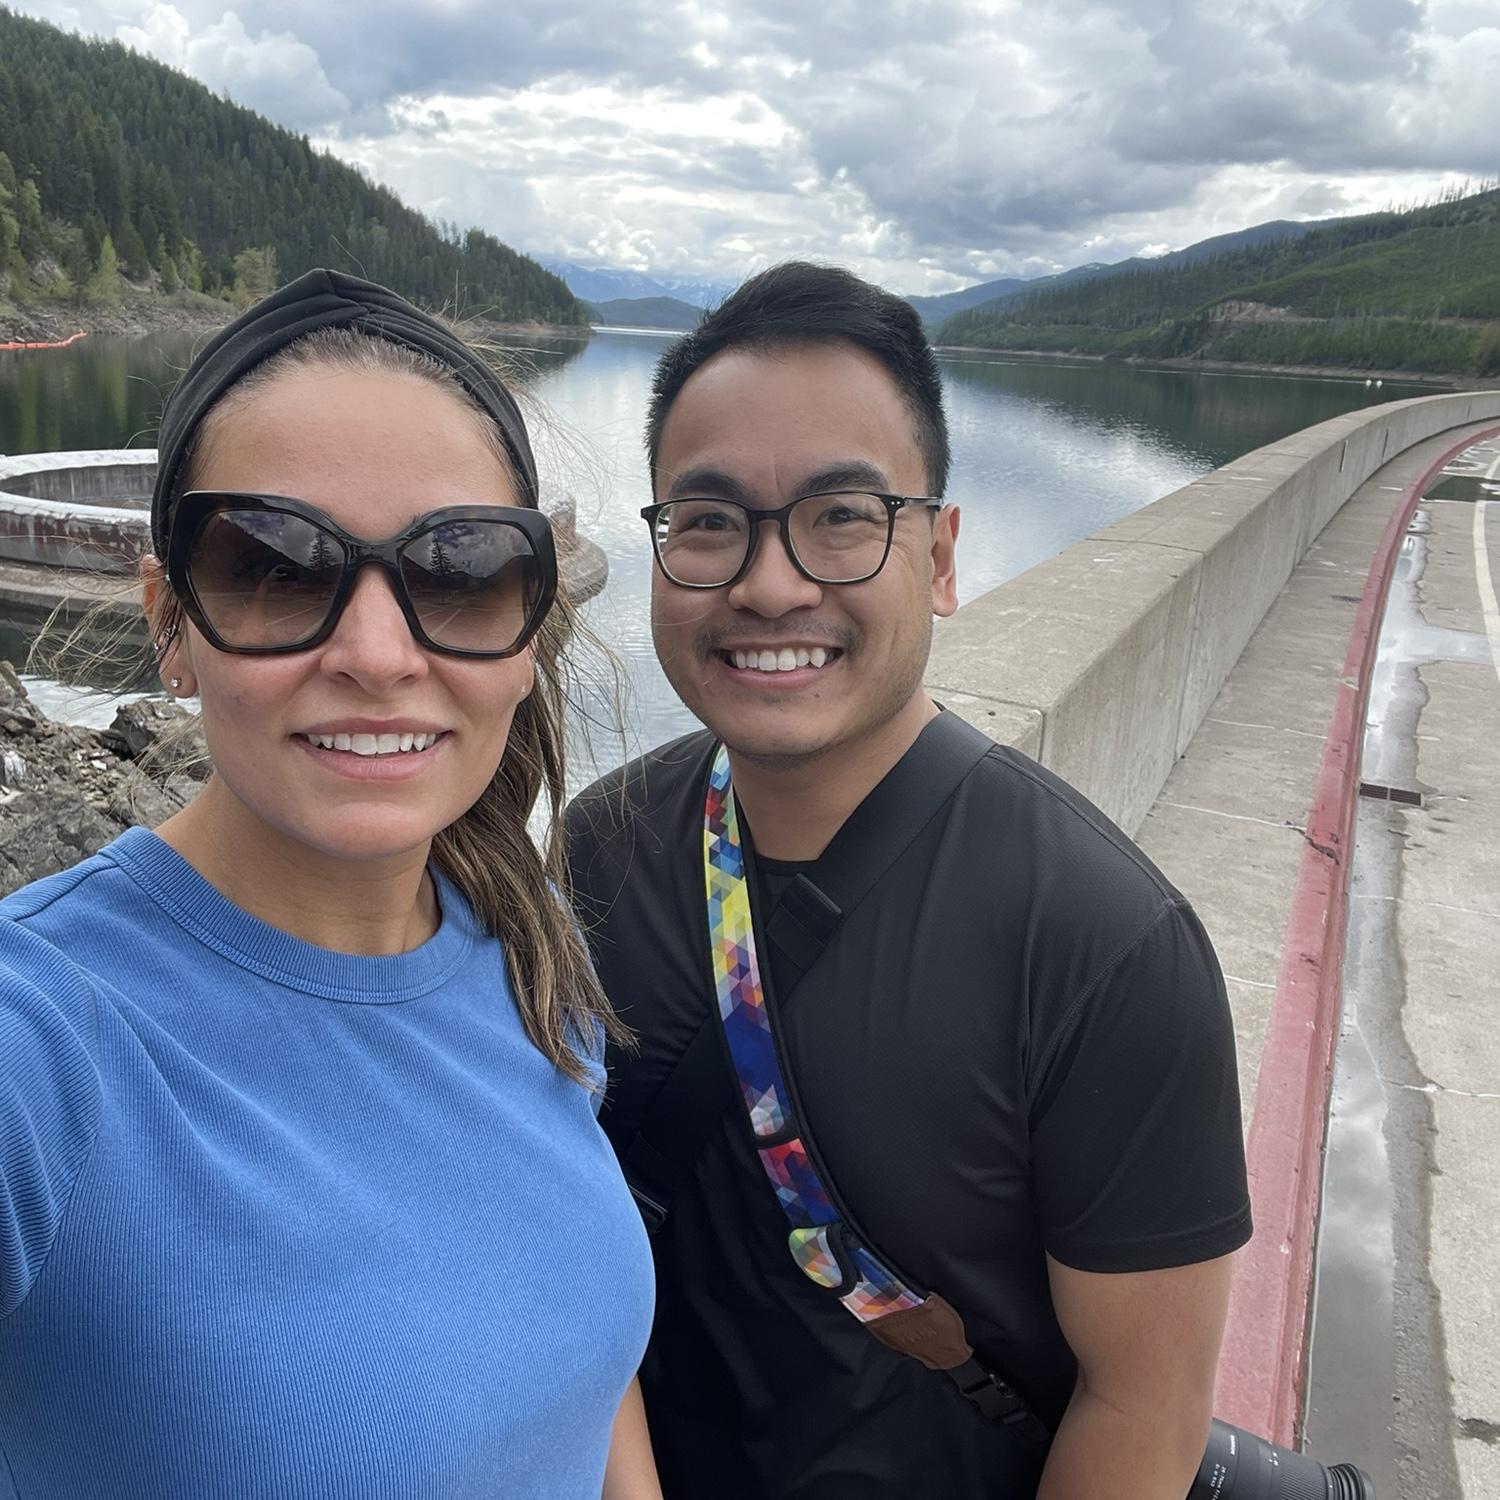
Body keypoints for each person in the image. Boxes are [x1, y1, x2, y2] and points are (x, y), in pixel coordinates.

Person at [565, 263, 1253, 1499]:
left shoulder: (1104, 945)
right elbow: (572, 1226)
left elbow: (1141, 1403)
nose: (770, 584)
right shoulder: (601, 848)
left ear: (937, 557)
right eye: (710, 521)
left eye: (841, 516)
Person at [0, 270, 659, 1500]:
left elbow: (585, 1378)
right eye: (277, 568)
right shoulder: (42, 1045)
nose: (375, 652)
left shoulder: (528, 951)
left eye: (460, 569)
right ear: (171, 621)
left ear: (527, 628)